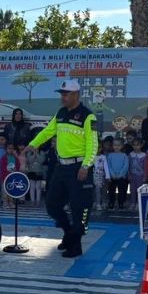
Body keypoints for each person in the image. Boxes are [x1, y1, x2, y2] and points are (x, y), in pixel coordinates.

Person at [25, 80, 97, 258]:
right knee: (51, 205)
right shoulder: (60, 113)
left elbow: (93, 144)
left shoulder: (88, 116)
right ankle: (68, 233)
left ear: (76, 95)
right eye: (62, 94)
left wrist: (86, 165)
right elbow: (48, 131)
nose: (63, 97)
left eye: (66, 94)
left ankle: (75, 245)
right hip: (61, 167)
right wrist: (33, 144)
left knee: (79, 208)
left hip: (79, 168)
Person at [106, 138, 129, 210]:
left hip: (121, 177)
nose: (116, 147)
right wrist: (112, 174)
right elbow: (108, 166)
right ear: (112, 146)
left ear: (122, 146)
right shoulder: (110, 155)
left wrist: (120, 174)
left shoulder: (124, 155)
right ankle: (111, 203)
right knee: (111, 191)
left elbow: (126, 166)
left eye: (118, 145)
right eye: (115, 145)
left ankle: (121, 204)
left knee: (122, 191)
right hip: (112, 177)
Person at [0, 142, 24, 209]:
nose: (11, 150)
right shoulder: (3, 158)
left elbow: (18, 165)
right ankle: (5, 203)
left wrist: (16, 172)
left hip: (12, 177)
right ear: (6, 149)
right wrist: (7, 173)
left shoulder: (15, 158)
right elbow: (2, 168)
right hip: (5, 177)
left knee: (11, 191)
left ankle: (11, 202)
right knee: (5, 191)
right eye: (9, 148)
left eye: (12, 148)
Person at [128, 138, 147, 209]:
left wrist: (145, 176)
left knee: (140, 190)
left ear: (141, 145)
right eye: (134, 145)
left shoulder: (144, 155)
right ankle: (133, 202)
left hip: (140, 176)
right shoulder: (130, 154)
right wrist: (129, 174)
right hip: (132, 175)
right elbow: (128, 165)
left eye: (137, 145)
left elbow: (145, 167)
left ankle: (139, 203)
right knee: (132, 190)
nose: (136, 147)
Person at [91, 140, 109, 212]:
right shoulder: (91, 157)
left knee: (99, 190)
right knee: (93, 190)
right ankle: (95, 202)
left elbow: (106, 167)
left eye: (99, 147)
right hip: (92, 176)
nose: (98, 149)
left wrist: (108, 176)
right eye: (96, 147)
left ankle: (100, 203)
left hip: (100, 176)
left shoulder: (103, 157)